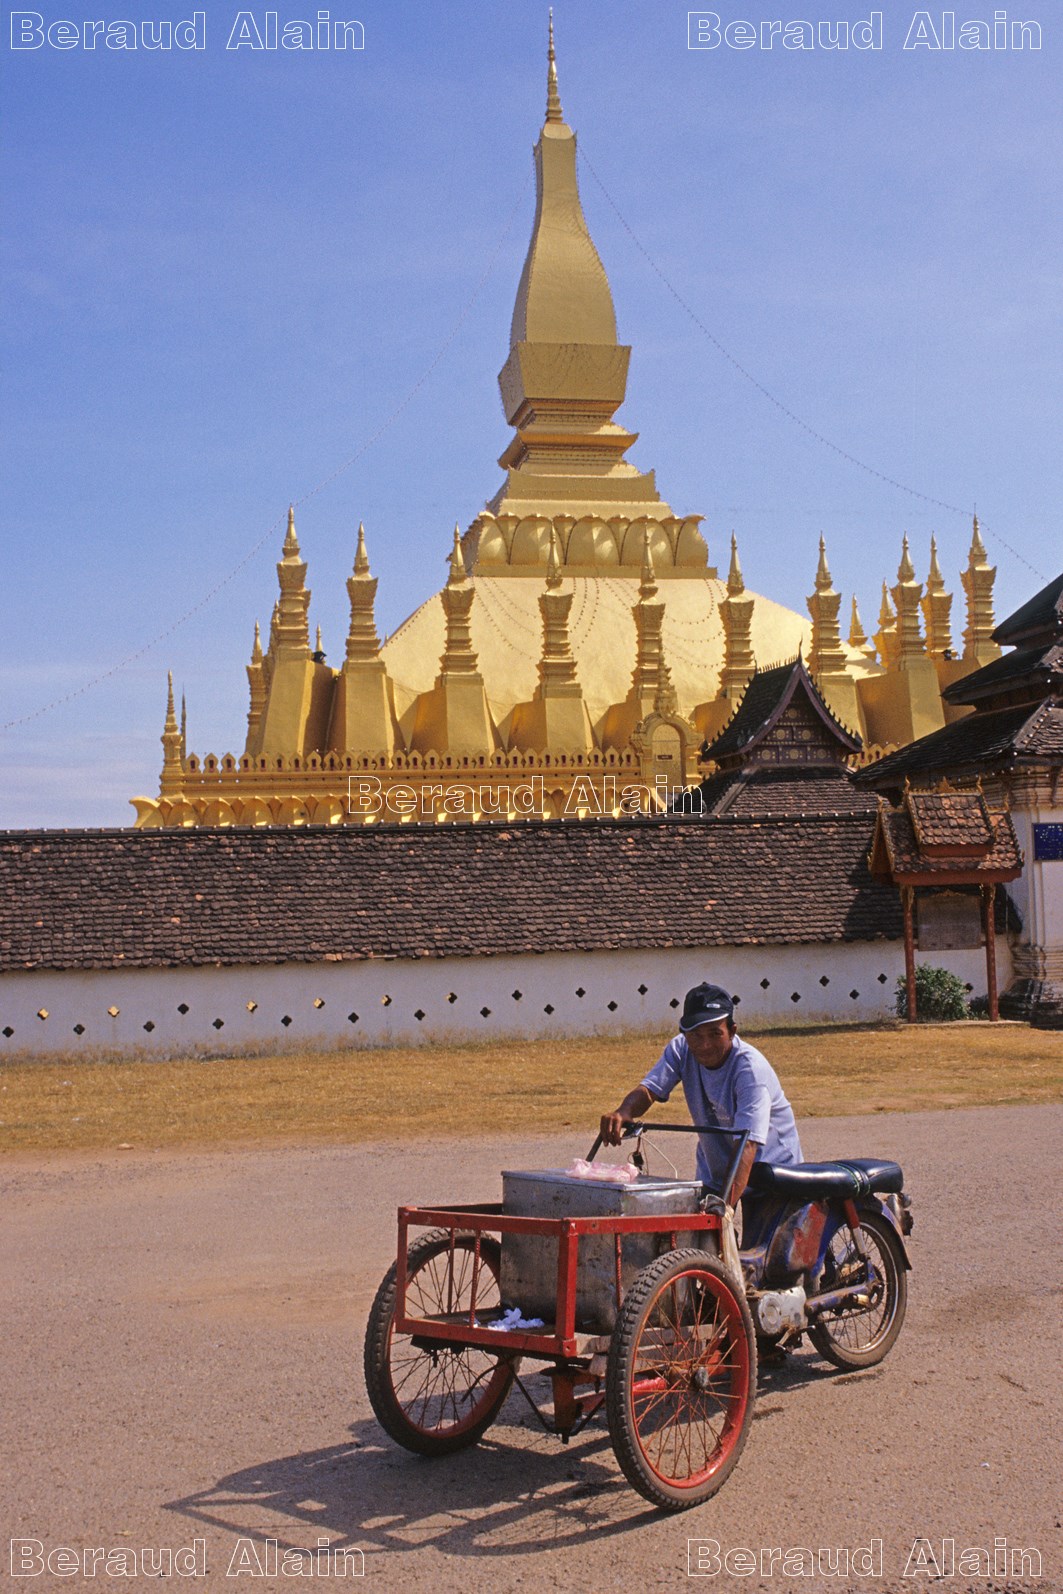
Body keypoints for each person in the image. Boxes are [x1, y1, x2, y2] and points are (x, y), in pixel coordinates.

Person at [600, 982, 802, 1204]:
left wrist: (722, 1208)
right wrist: (624, 1111)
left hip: (769, 1171)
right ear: (684, 1034)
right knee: (699, 1235)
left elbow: (748, 1145)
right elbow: (649, 1090)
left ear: (732, 1031)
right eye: (695, 1035)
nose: (705, 1045)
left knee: (761, 1238)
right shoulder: (681, 1049)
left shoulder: (750, 1071)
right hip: (716, 1168)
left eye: (715, 1034)